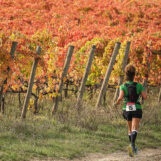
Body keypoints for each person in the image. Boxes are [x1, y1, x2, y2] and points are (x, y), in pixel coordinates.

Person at [114, 64, 147, 157]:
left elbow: (120, 97)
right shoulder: (139, 85)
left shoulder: (123, 86)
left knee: (129, 129)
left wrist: (116, 103)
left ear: (126, 74)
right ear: (134, 74)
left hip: (127, 108)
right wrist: (140, 95)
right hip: (137, 107)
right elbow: (145, 97)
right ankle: (132, 146)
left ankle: (132, 147)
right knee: (134, 128)